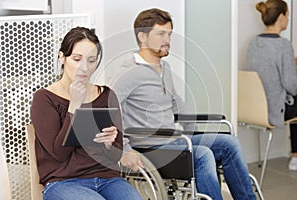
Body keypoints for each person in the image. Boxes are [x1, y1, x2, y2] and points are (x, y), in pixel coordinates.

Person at [109, 8, 257, 200]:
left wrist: (195, 133)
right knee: (203, 155)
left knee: (229, 143)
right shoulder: (127, 72)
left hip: (172, 142)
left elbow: (176, 102)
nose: (167, 40)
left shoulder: (164, 68)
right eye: (161, 34)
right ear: (142, 36)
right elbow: (107, 111)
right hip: (148, 148)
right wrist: (125, 148)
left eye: (169, 34)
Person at [30, 27, 142, 200]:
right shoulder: (44, 98)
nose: (84, 67)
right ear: (62, 57)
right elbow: (58, 155)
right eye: (77, 59)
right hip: (63, 182)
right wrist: (74, 104)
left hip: (108, 179)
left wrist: (108, 144)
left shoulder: (106, 95)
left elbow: (117, 154)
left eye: (91, 60)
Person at [246, 0, 297, 171]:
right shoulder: (283, 45)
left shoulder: (253, 43)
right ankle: (296, 157)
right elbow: (292, 86)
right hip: (276, 109)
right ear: (281, 16)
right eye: (288, 15)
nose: (288, 19)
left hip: (256, 109)